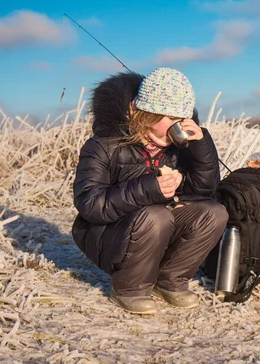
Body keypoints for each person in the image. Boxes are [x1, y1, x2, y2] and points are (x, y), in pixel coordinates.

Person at [71, 67, 229, 315]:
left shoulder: (178, 146)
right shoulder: (103, 145)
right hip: (105, 234)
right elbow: (90, 204)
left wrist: (201, 146)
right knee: (157, 214)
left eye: (181, 119)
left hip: (154, 228)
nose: (176, 127)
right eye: (169, 117)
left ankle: (170, 281)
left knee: (214, 212)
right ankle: (130, 289)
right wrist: (149, 189)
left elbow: (203, 191)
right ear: (141, 111)